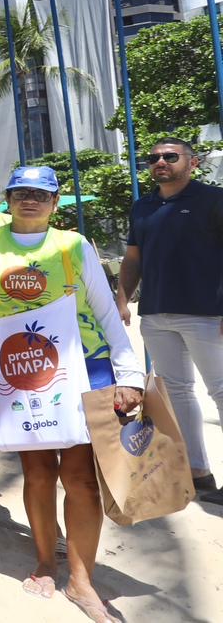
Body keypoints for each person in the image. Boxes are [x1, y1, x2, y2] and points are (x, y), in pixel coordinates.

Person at [0, 166, 143, 621]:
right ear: (6, 198)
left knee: (80, 478)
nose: (30, 201)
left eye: (41, 195)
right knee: (37, 472)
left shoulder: (73, 244)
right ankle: (44, 560)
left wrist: (131, 373)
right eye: (20, 192)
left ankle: (81, 580)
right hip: (19, 370)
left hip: (84, 369)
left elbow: (105, 310)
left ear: (55, 202)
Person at [117, 137, 223, 503]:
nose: (160, 162)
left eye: (170, 156)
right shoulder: (142, 207)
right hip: (156, 313)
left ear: (192, 162)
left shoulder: (214, 199)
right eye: (153, 158)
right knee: (177, 393)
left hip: (208, 314)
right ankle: (198, 472)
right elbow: (133, 258)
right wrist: (121, 300)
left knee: (221, 391)